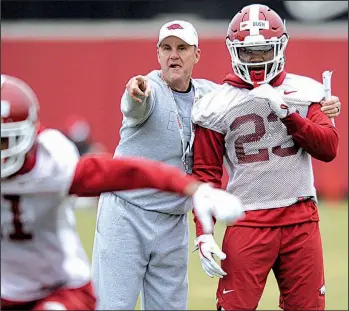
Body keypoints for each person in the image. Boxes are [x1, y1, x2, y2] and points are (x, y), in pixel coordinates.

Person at [92, 19, 342, 310]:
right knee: (112, 304)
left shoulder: (211, 94)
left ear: (196, 55)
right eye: (167, 48)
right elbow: (135, 104)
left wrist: (321, 106)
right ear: (158, 54)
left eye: (182, 48)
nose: (174, 55)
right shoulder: (148, 89)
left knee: (169, 306)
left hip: (173, 215)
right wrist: (133, 91)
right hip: (128, 212)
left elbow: (249, 94)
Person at [0, 74, 245, 310]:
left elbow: (128, 172)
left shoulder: (52, 164)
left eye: (5, 141)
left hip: (57, 289)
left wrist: (193, 188)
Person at [190, 4, 340, 311]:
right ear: (234, 52)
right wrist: (204, 233)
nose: (257, 60)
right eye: (249, 52)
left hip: (300, 218)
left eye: (264, 51)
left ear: (281, 47)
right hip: (247, 219)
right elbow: (206, 176)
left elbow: (328, 148)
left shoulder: (303, 91)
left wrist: (286, 113)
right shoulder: (216, 104)